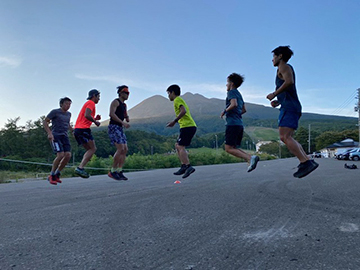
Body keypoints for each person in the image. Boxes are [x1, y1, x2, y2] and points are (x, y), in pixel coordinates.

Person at [266, 46, 318, 178]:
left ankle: (305, 162)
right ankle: (306, 160)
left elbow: (289, 82)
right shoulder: (283, 68)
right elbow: (288, 89)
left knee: (285, 137)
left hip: (290, 107)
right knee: (288, 136)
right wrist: (278, 101)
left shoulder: (284, 66)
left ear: (280, 56)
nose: (272, 59)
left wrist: (274, 94)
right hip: (290, 106)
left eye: (274, 56)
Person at [220, 73, 260, 172]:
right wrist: (236, 114)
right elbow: (243, 110)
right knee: (233, 147)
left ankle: (250, 158)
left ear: (232, 83)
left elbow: (234, 104)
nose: (226, 85)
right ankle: (250, 159)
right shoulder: (239, 94)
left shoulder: (231, 92)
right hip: (239, 124)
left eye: (227, 83)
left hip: (232, 124)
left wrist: (225, 111)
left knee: (228, 148)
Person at [166, 84, 196, 178]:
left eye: (168, 93)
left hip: (187, 126)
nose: (168, 96)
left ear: (172, 92)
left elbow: (183, 111)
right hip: (187, 126)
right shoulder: (178, 100)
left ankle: (188, 166)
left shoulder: (177, 100)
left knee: (180, 146)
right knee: (177, 146)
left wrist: (174, 121)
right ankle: (184, 166)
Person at [43, 97, 73, 185]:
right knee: (60, 155)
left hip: (65, 136)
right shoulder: (55, 112)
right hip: (56, 135)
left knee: (68, 155)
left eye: (70, 104)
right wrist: (49, 133)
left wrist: (72, 131)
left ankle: (57, 174)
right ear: (61, 104)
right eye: (66, 104)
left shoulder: (69, 114)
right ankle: (51, 175)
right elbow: (45, 122)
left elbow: (67, 124)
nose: (68, 106)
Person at [73, 89, 101, 178]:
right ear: (94, 96)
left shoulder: (88, 104)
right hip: (83, 129)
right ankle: (80, 168)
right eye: (98, 96)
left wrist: (95, 119)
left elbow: (87, 116)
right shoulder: (90, 103)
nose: (99, 99)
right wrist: (95, 122)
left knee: (90, 149)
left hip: (77, 129)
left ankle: (81, 167)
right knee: (93, 149)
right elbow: (87, 115)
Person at [107, 85, 130, 180]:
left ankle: (119, 170)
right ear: (120, 93)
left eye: (128, 93)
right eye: (125, 92)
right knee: (120, 148)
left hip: (120, 127)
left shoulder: (124, 105)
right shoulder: (115, 102)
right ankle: (112, 171)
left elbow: (124, 115)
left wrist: (126, 118)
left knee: (125, 149)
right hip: (114, 126)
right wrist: (122, 122)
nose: (127, 95)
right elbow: (111, 114)